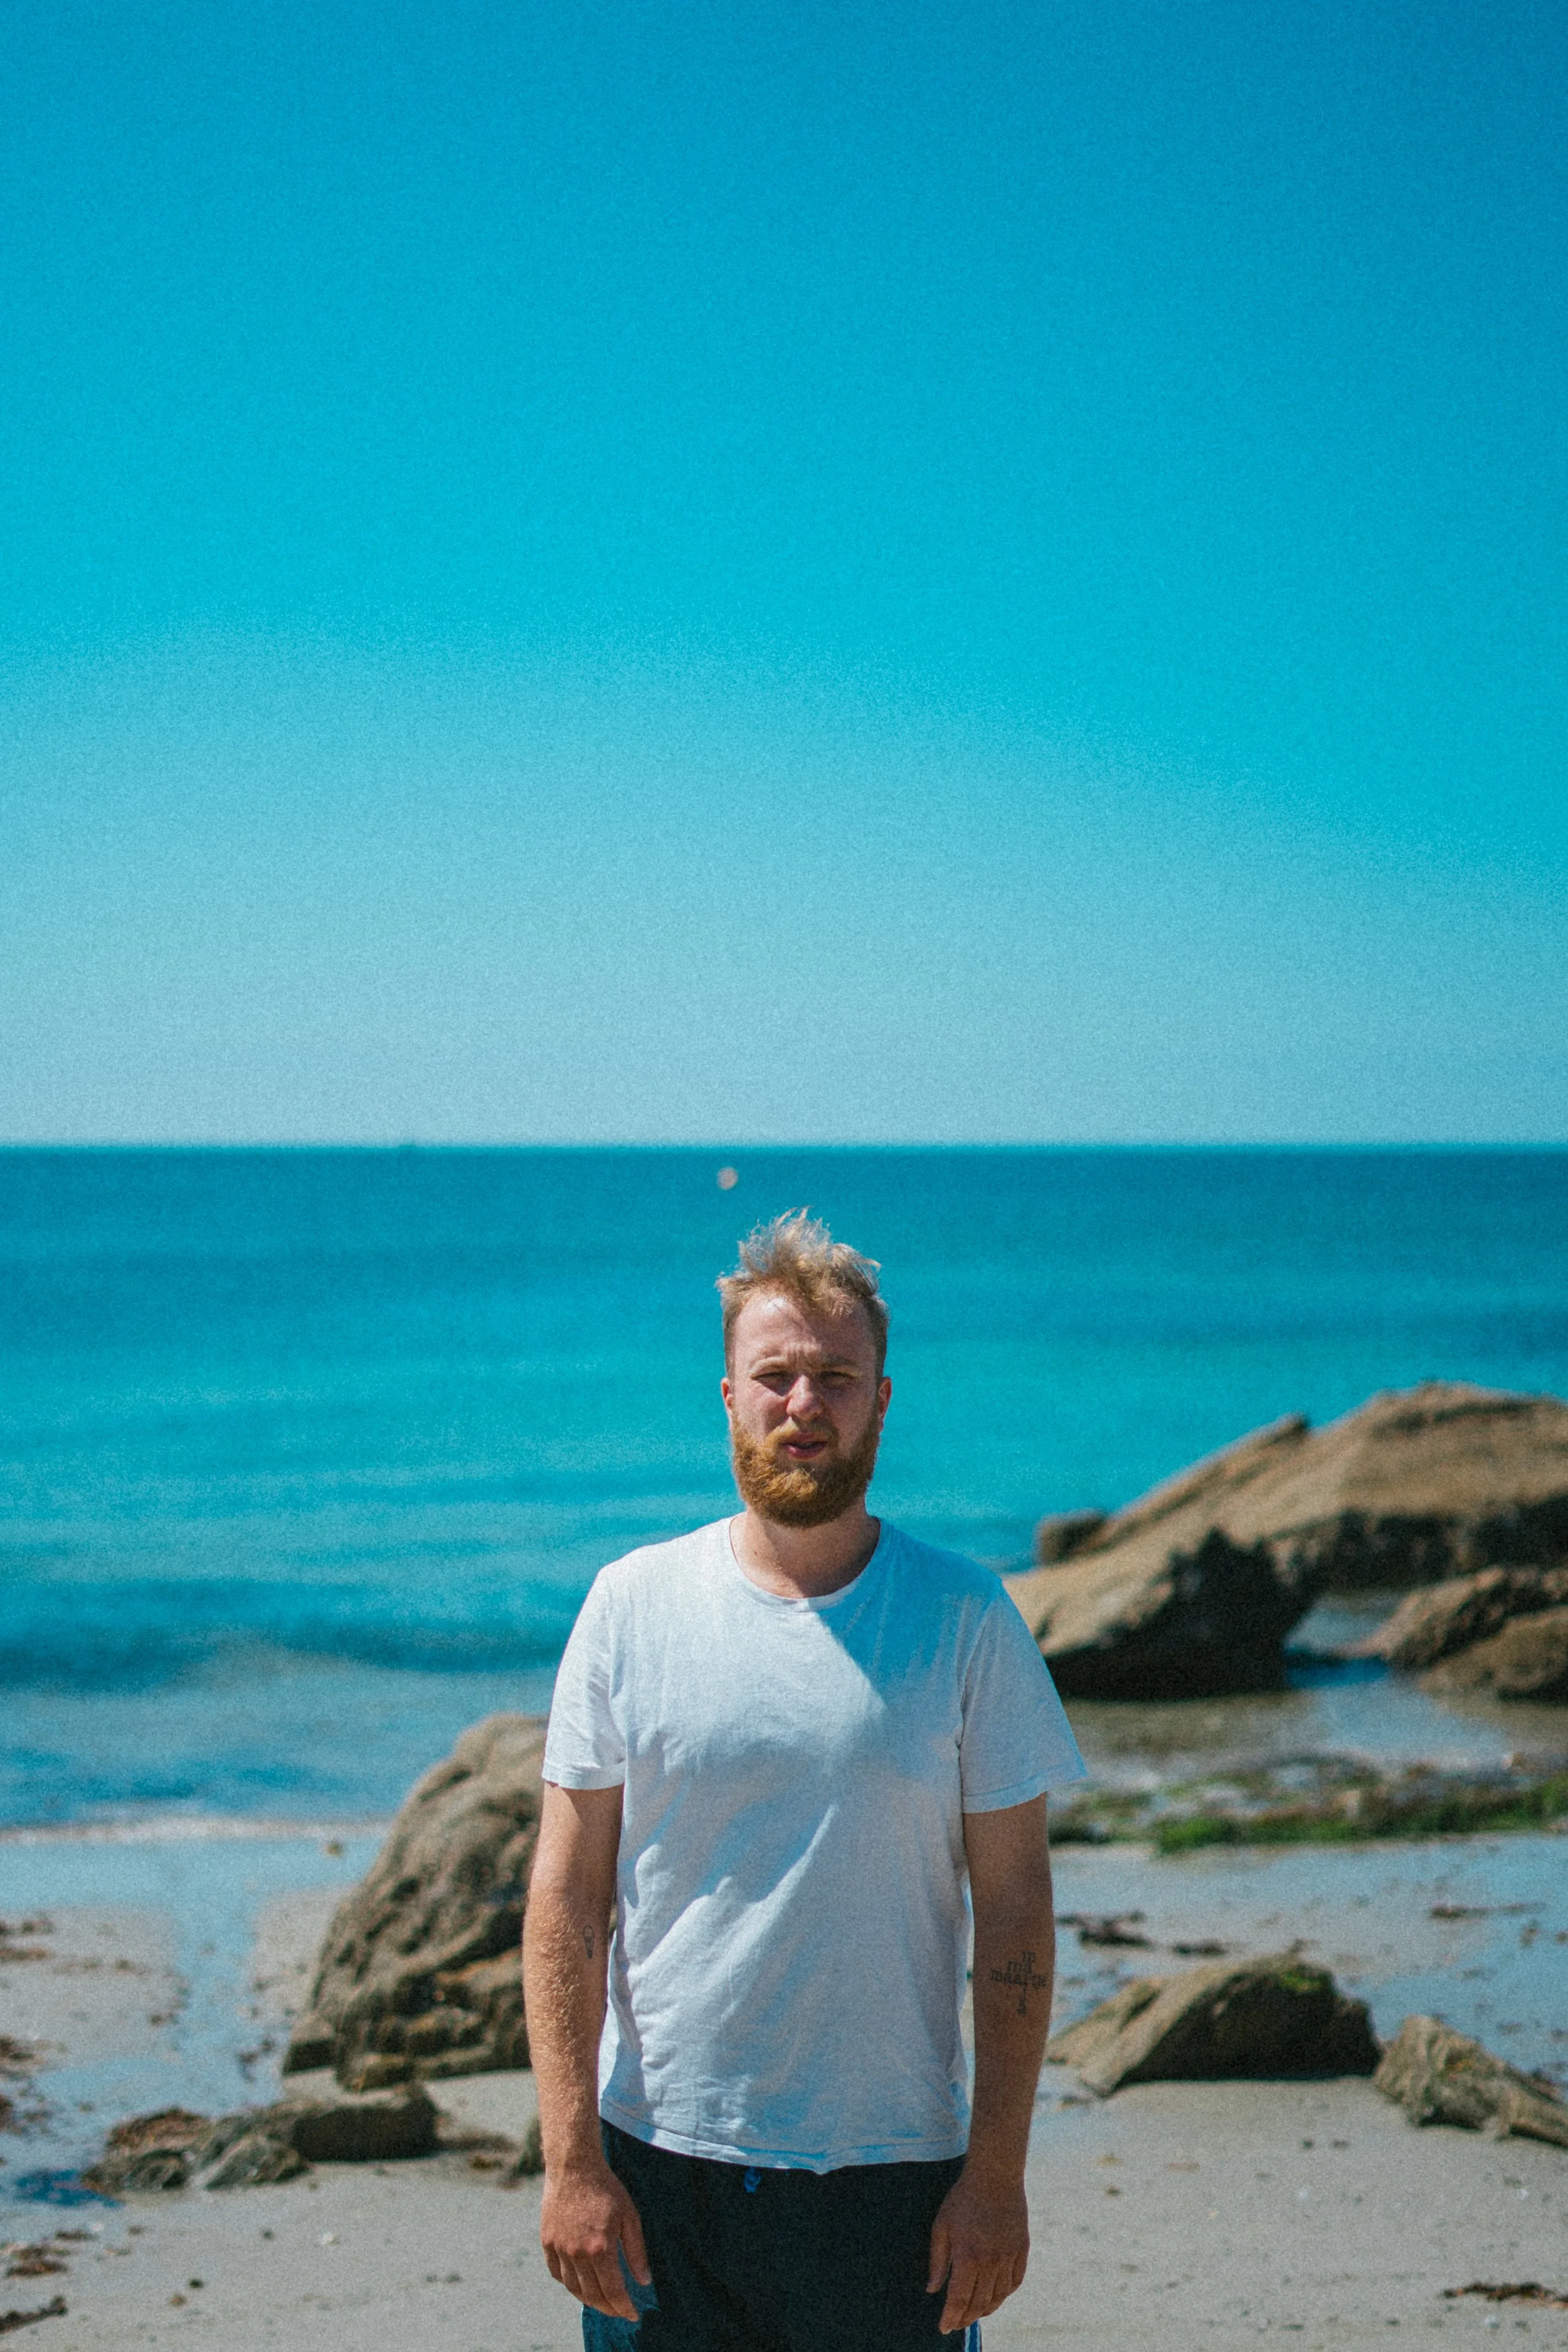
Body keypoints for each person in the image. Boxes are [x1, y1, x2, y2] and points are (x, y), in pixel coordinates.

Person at [524, 1211, 1086, 2352]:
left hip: (894, 2187)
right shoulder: (632, 1606)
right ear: (728, 1395)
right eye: (775, 1375)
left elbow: (1016, 1905)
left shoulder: (966, 1617)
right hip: (662, 2173)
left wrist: (997, 2176)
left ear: (882, 1399)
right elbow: (567, 1897)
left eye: (836, 1376)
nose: (803, 1403)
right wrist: (571, 2162)